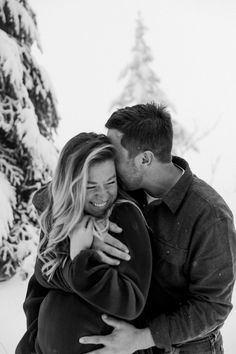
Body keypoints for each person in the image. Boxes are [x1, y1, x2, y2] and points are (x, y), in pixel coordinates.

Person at [78, 103, 236, 354]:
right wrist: (80, 230)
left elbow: (213, 307)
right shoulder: (121, 186)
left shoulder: (210, 216)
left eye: (114, 154)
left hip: (187, 349)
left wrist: (141, 339)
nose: (107, 160)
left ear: (144, 159)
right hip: (130, 343)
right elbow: (52, 193)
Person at [16, 132, 152, 354]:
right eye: (90, 186)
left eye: (111, 181)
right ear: (70, 184)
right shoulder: (60, 217)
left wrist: (80, 258)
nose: (103, 194)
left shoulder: (123, 217)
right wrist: (31, 342)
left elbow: (130, 302)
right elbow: (41, 280)